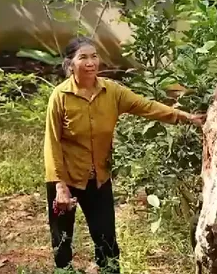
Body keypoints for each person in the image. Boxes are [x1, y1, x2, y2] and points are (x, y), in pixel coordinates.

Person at [44, 36, 206, 273]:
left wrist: (186, 117)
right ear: (70, 64)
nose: (90, 62)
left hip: (98, 179)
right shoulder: (60, 96)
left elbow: (147, 106)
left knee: (107, 242)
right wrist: (59, 186)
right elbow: (52, 142)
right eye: (83, 57)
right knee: (62, 242)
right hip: (65, 178)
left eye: (94, 56)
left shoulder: (112, 91)